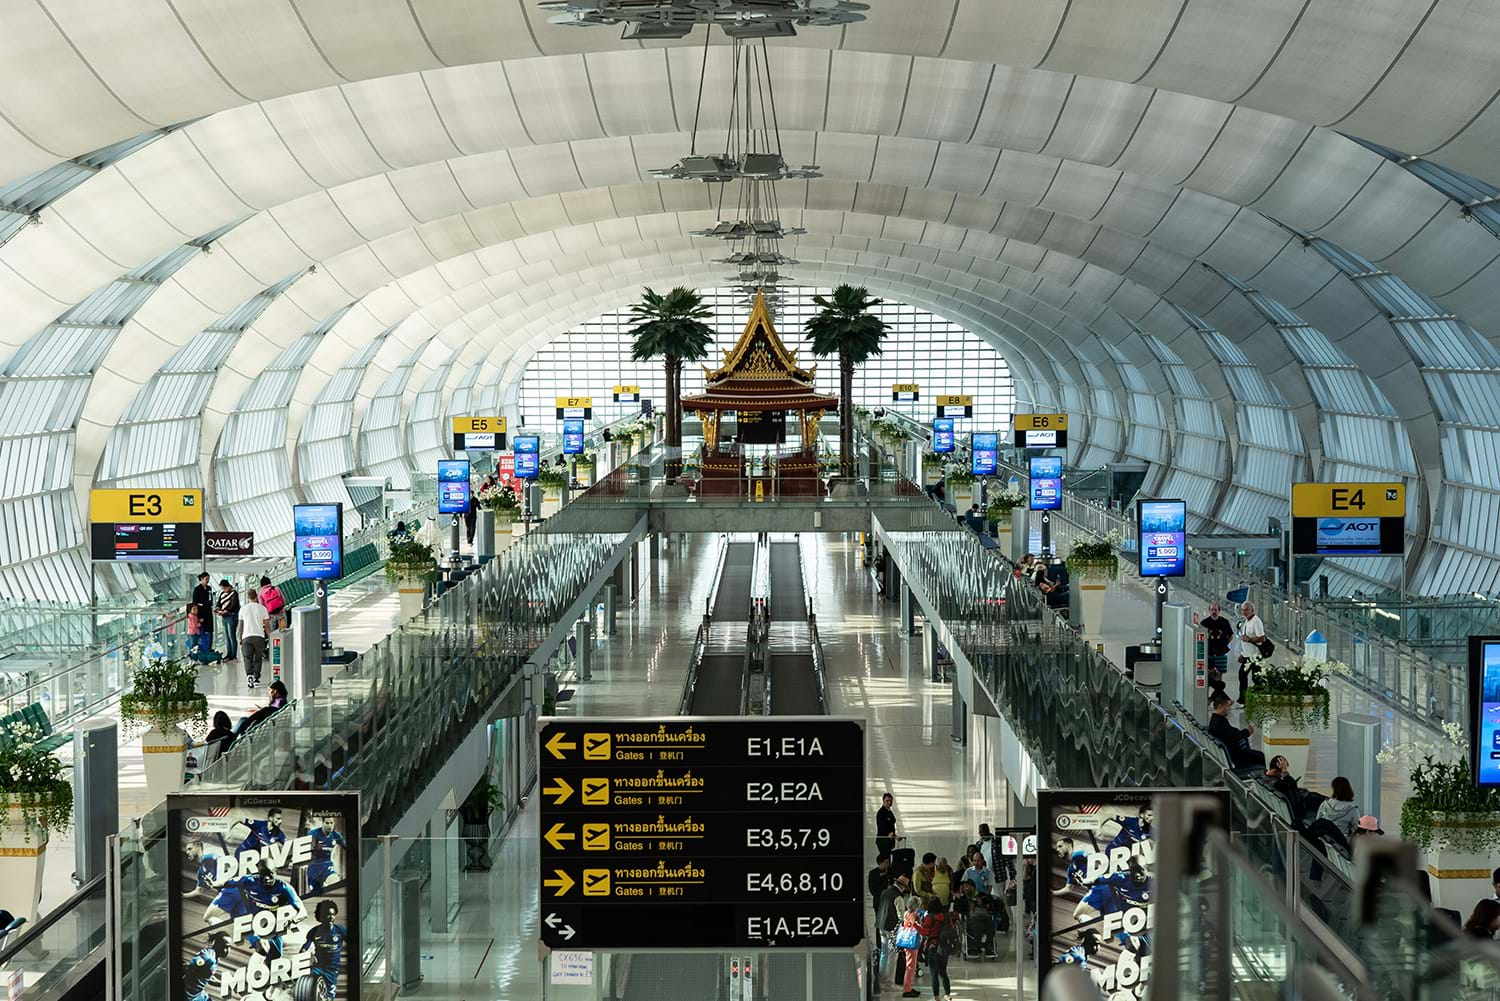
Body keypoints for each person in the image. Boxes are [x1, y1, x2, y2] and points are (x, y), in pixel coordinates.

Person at [301, 899, 348, 998]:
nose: (331, 917)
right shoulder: (314, 932)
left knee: (330, 996)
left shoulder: (340, 931)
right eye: (328, 915)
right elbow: (306, 947)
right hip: (318, 967)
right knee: (311, 991)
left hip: (332, 969)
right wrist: (302, 954)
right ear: (321, 917)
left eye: (333, 914)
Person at [1208, 692, 1266, 768]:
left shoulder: (1215, 720)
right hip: (1236, 756)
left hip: (1233, 752)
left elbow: (1232, 734)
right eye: (1228, 706)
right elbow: (1234, 736)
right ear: (1220, 706)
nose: (1230, 709)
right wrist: (1247, 732)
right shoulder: (1219, 724)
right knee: (1260, 756)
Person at [183, 931, 231, 1001]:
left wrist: (222, 983)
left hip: (200, 994)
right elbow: (188, 966)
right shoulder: (209, 958)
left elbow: (206, 976)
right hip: (190, 997)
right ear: (218, 944)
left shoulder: (216, 958)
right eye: (226, 946)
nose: (228, 950)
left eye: (229, 947)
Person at [1236, 600, 1268, 702]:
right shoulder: (1246, 621)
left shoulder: (1256, 621)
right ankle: (1243, 697)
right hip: (1247, 655)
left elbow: (1262, 638)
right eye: (1243, 610)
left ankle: (1258, 697)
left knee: (1256, 678)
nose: (1244, 612)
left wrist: (1249, 639)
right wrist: (1242, 654)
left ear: (1252, 610)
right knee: (1242, 675)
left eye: (1246, 610)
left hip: (1255, 656)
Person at [922, 899, 955, 1000]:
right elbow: (952, 928)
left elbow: (925, 932)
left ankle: (936, 996)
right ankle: (948, 994)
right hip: (944, 947)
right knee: (943, 972)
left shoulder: (929, 917)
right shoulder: (946, 916)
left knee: (934, 974)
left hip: (933, 947)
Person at [239, 588, 270, 689]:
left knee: (247, 658)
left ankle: (249, 676)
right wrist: (270, 637)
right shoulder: (262, 608)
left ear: (247, 598)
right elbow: (267, 626)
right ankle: (256, 678)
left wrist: (240, 638)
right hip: (259, 637)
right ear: (256, 597)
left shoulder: (243, 609)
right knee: (257, 658)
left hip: (246, 637)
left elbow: (240, 626)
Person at [1315, 777, 1361, 841]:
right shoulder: (1352, 809)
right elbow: (1357, 831)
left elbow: (1317, 822)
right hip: (1341, 843)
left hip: (1324, 841)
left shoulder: (1324, 804)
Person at [1201, 601, 1233, 695]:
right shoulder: (1204, 623)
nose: (1214, 612)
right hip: (1208, 653)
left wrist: (1224, 645)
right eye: (1212, 610)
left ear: (1219, 611)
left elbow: (1230, 636)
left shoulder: (1225, 622)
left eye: (1215, 610)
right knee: (1207, 677)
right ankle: (1205, 698)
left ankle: (1217, 700)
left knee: (1219, 679)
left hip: (1221, 654)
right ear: (1209, 611)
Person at [898, 899, 923, 997]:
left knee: (909, 966)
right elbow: (915, 927)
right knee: (910, 967)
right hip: (912, 943)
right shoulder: (913, 915)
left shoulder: (906, 913)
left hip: (907, 942)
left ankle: (908, 987)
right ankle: (907, 989)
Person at [216, 580, 240, 663]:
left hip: (231, 616)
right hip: (224, 617)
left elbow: (233, 605)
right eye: (223, 588)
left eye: (225, 588)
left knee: (231, 636)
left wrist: (226, 610)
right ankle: (229, 654)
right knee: (226, 636)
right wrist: (218, 609)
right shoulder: (222, 594)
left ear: (229, 586)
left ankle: (233, 654)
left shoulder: (234, 593)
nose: (224, 590)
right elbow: (219, 603)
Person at [192, 572, 215, 654]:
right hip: (201, 613)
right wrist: (198, 617)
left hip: (208, 612)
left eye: (208, 579)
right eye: (206, 579)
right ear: (201, 579)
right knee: (202, 631)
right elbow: (195, 603)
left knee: (210, 631)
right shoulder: (197, 589)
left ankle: (209, 647)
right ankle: (203, 649)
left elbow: (210, 599)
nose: (208, 581)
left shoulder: (209, 588)